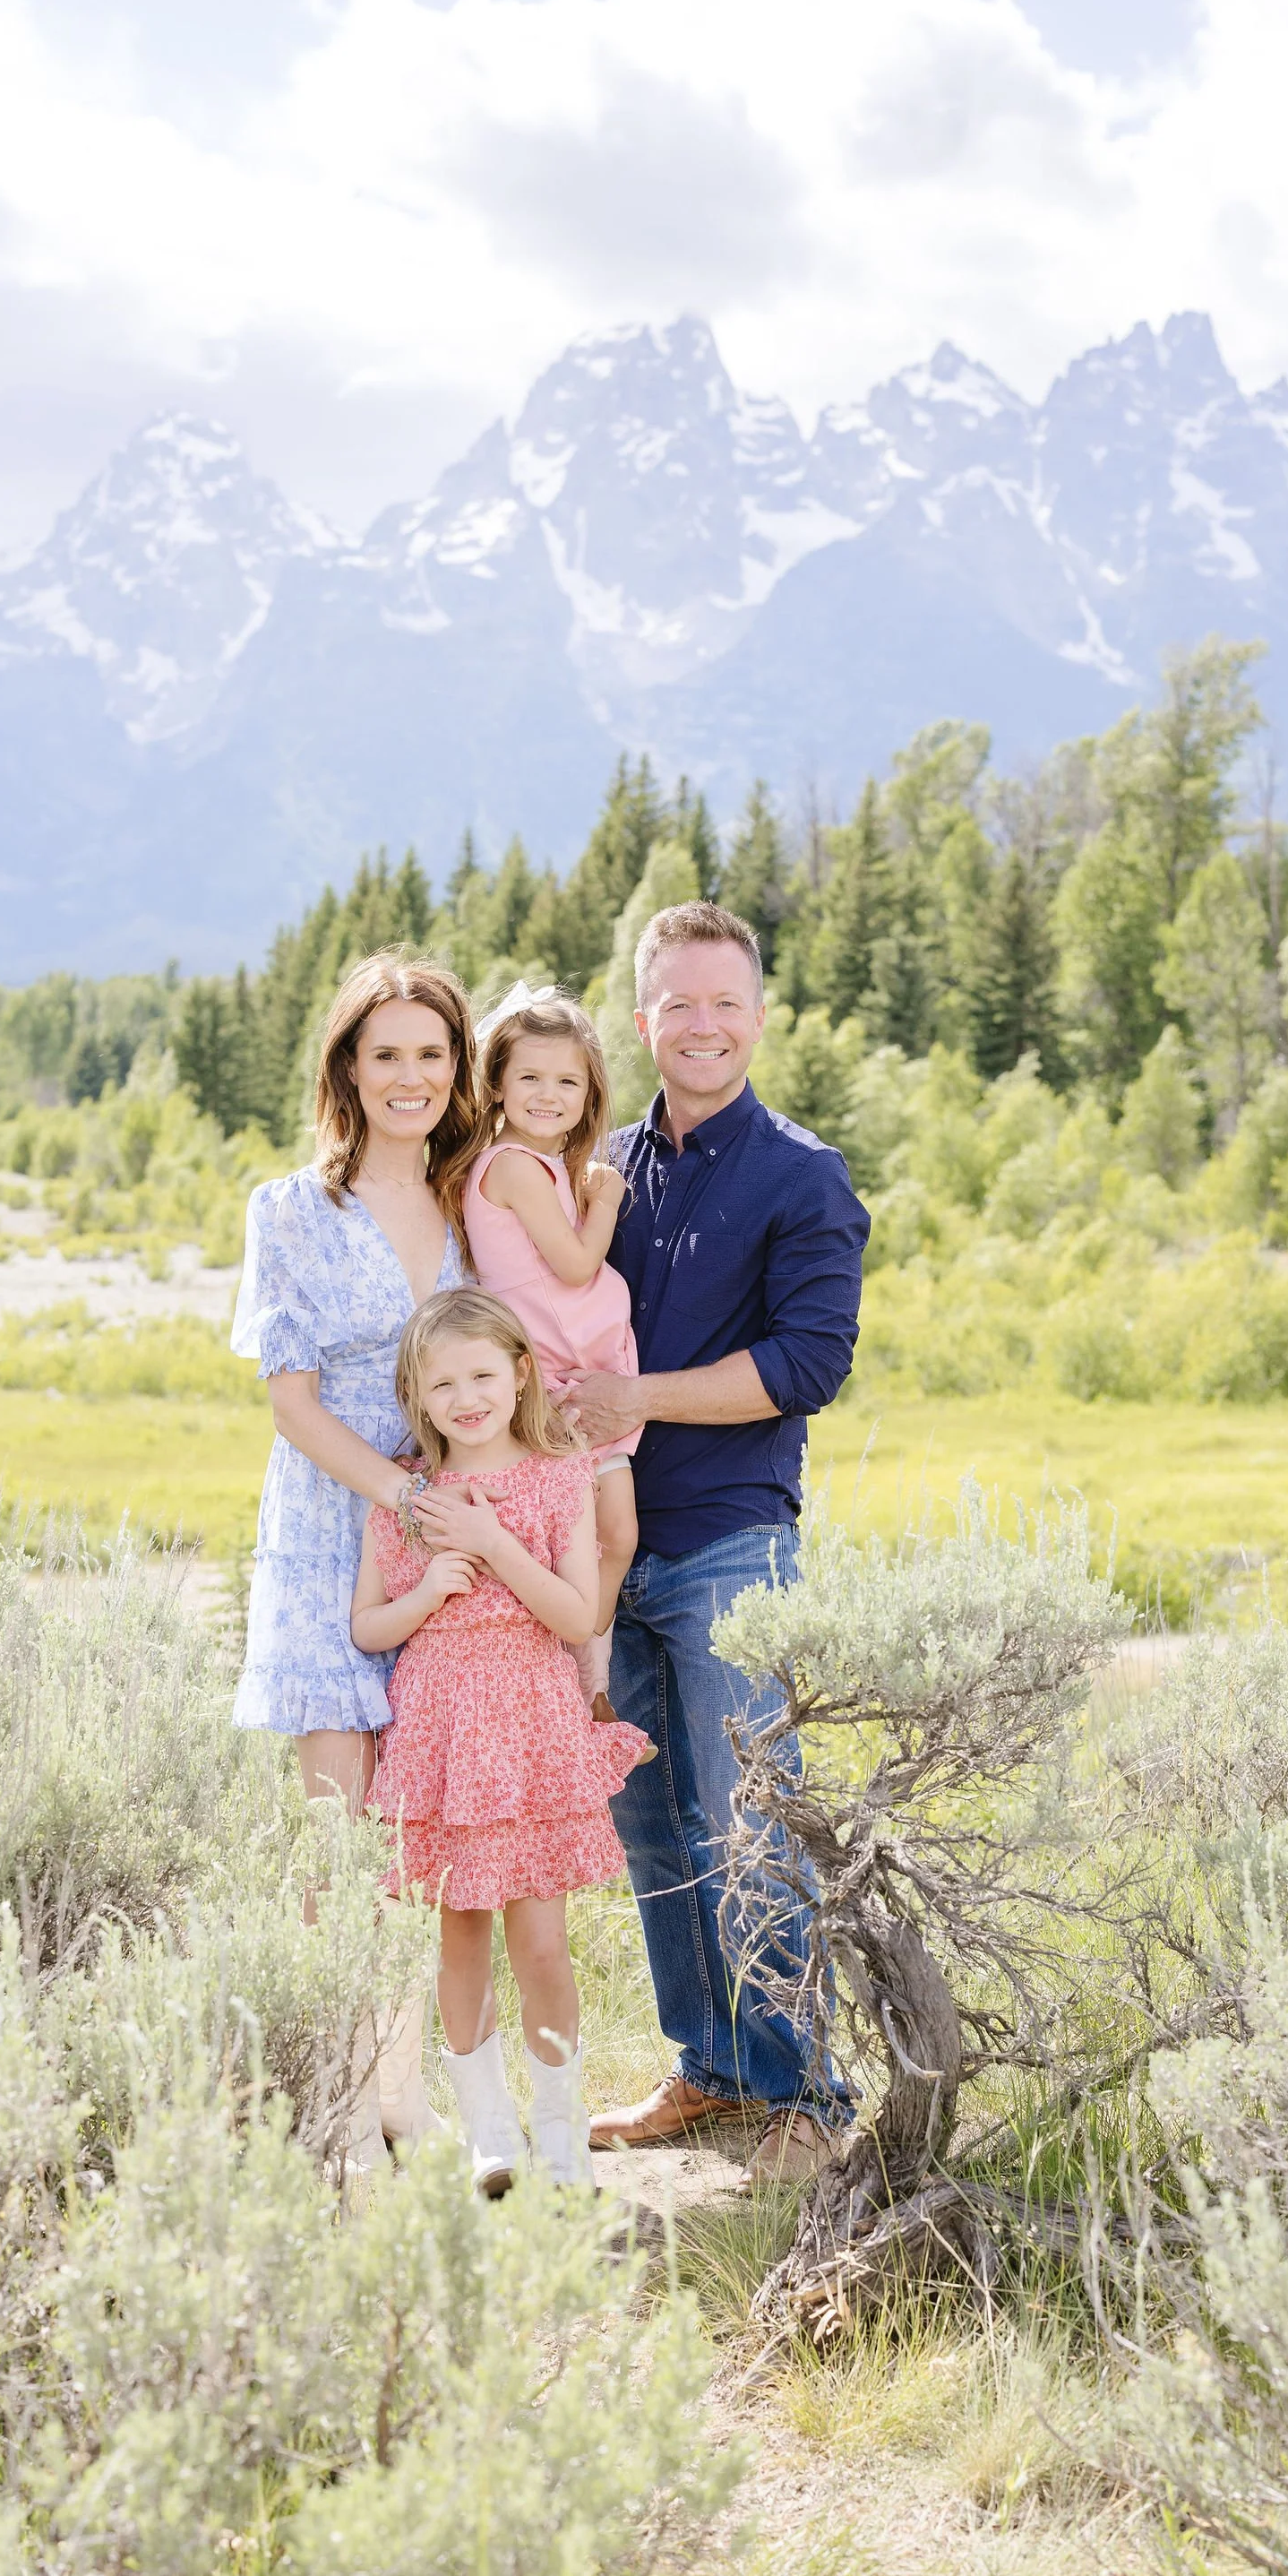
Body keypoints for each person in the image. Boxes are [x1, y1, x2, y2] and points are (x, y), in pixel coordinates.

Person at [563, 900, 871, 2186]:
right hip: (600, 1556)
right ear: (643, 1021)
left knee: (749, 1828)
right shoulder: (601, 1173)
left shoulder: (803, 1175)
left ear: (759, 1014)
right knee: (651, 1826)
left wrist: (641, 1400)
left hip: (730, 1544)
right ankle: (710, 2068)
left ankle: (807, 2096)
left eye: (723, 1001)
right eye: (675, 1003)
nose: (702, 1024)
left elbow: (812, 1362)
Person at [229, 948, 478, 2167]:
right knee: (338, 1847)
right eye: (387, 1053)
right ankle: (330, 2103)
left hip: (451, 1554)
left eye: (432, 1054)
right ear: (348, 1067)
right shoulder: (289, 1210)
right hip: (338, 1535)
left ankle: (400, 2097)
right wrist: (399, 1496)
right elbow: (292, 1404)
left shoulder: (474, 1204)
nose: (411, 1076)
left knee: (417, 1835)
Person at [354, 1288, 651, 2193]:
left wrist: (491, 1539)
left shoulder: (561, 1475)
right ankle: (490, 2132)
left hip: (529, 1733)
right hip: (443, 1742)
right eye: (440, 1384)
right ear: (416, 1395)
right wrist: (430, 1590)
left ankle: (558, 2133)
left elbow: (576, 1612)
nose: (465, 1398)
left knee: (542, 1944)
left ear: (520, 1372)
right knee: (459, 1939)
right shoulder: (404, 1496)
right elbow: (369, 1626)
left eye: (482, 1374)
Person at [463, 984, 640, 1708]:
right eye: (530, 1077)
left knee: (617, 1539)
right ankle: (575, 1684)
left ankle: (582, 1683)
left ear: (589, 1090)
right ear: (497, 1082)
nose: (548, 1094)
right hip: (557, 1387)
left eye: (567, 1080)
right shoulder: (512, 1166)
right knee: (597, 1541)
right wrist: (606, 1202)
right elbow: (573, 1265)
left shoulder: (543, 1166)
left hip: (584, 1376)